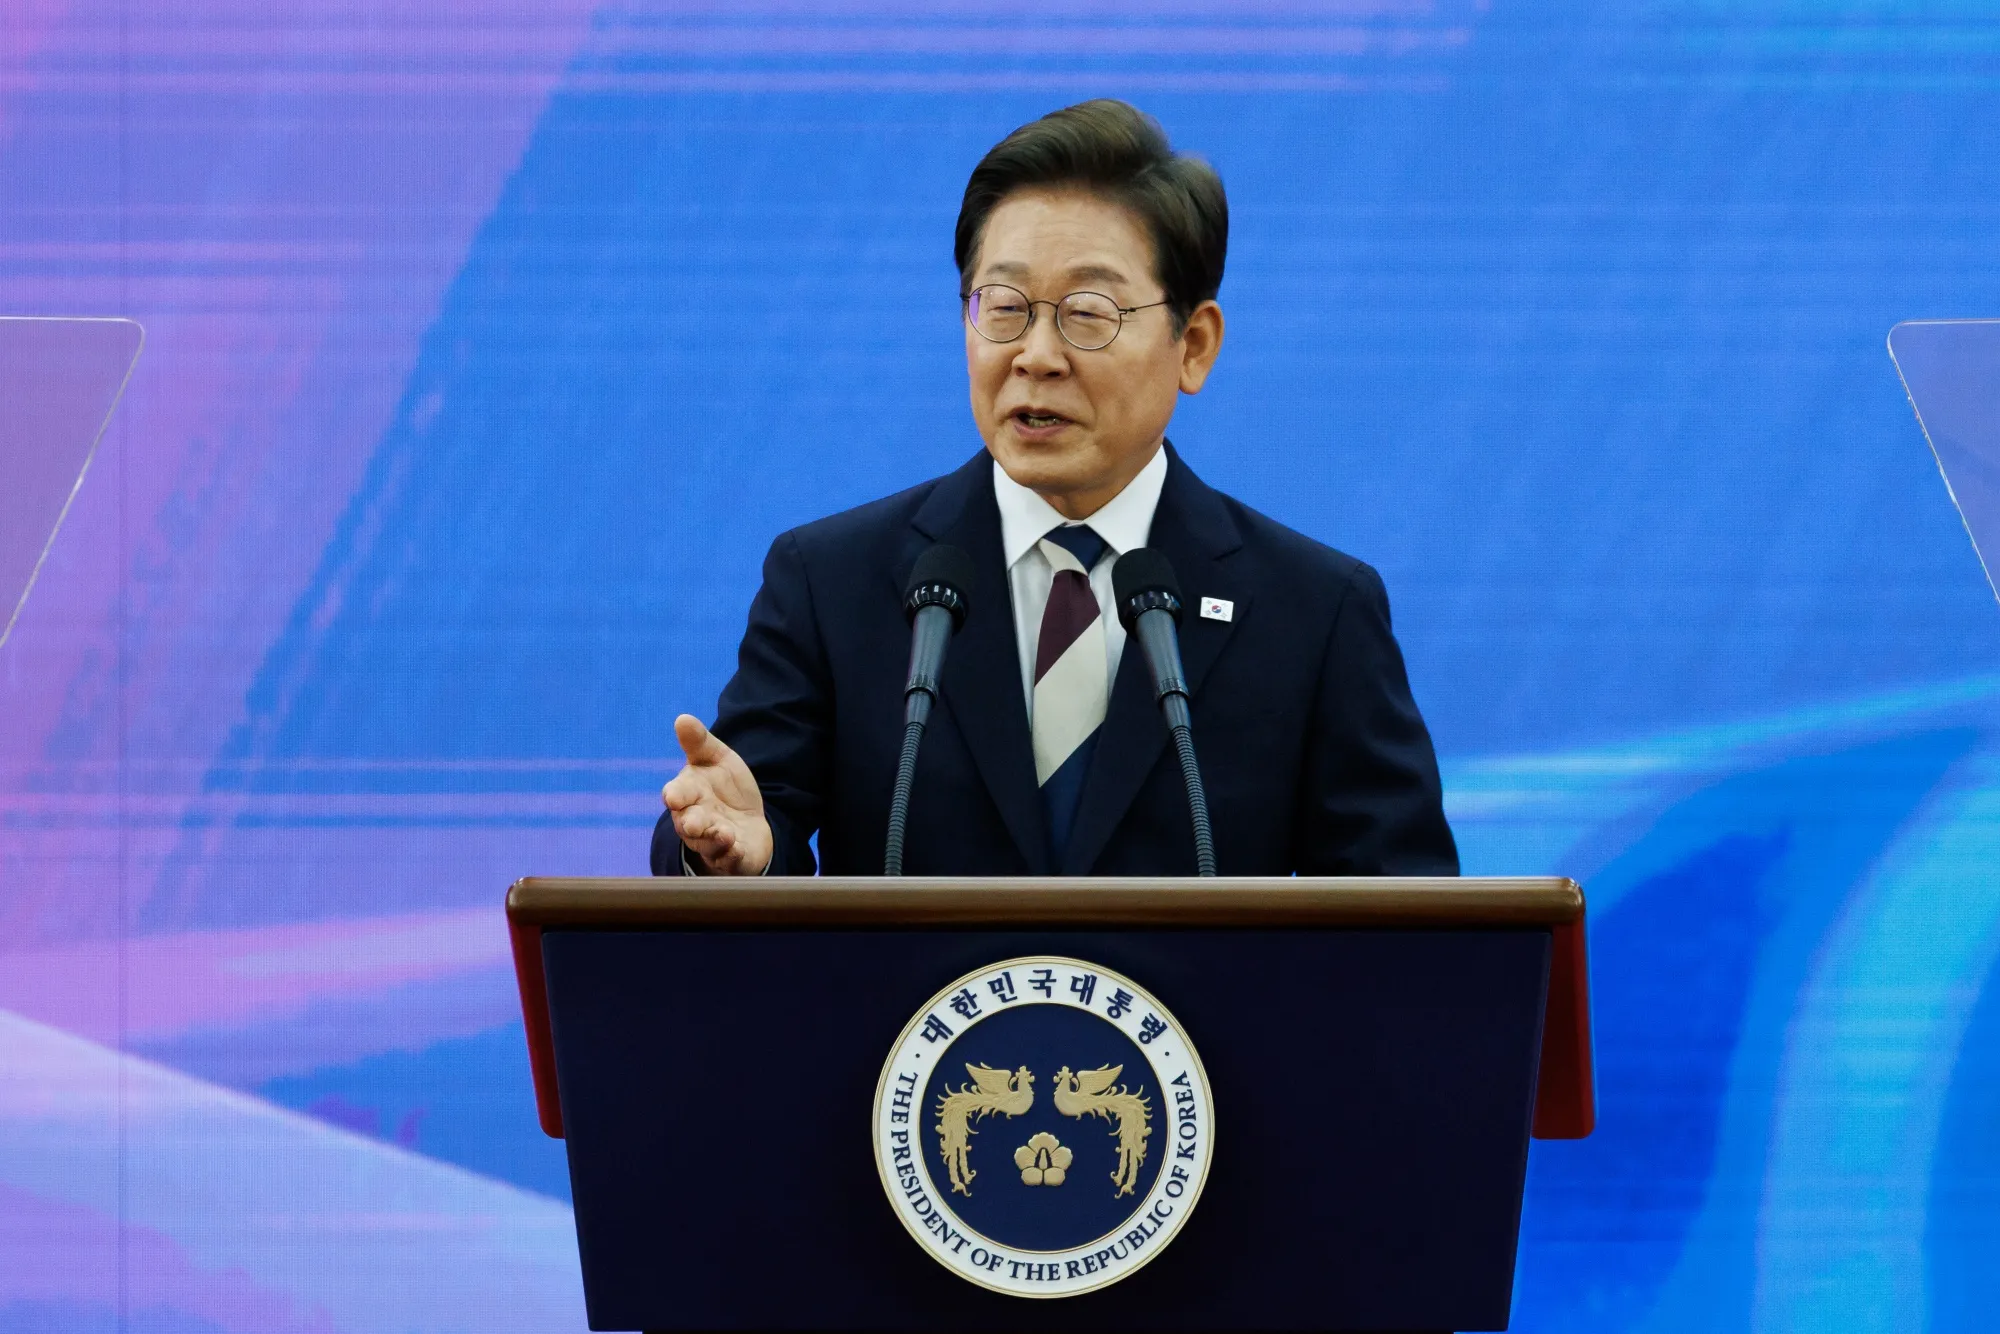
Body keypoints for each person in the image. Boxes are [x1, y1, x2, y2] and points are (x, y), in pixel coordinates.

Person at [653, 99, 1456, 879]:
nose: (1036, 356)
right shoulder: (832, 582)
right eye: (1004, 307)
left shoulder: (1313, 612)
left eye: (1087, 312)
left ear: (1194, 345)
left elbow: (1405, 914)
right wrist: (731, 852)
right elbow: (748, 812)